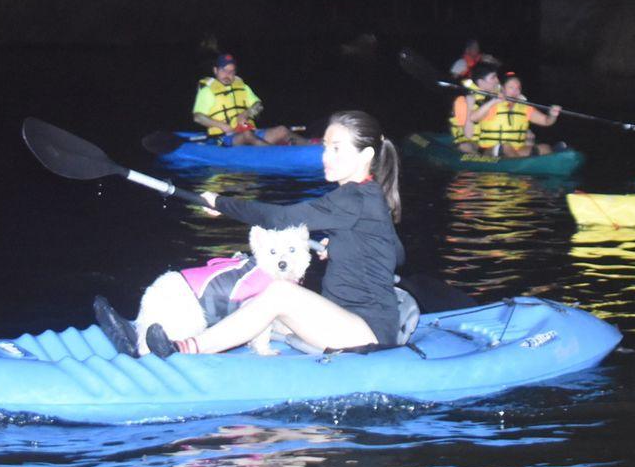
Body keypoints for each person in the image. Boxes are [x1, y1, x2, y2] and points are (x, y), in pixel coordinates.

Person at [95, 111, 404, 358]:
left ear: (365, 155)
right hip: (340, 316)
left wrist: (221, 203)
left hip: (367, 332)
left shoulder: (356, 197)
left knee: (280, 292)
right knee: (254, 298)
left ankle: (185, 349)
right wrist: (345, 245)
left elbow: (281, 218)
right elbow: (397, 252)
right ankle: (142, 336)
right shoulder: (367, 197)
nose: (326, 156)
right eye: (325, 146)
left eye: (337, 148)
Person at [191, 53, 292, 146]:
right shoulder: (207, 91)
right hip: (222, 138)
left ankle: (301, 149)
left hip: (249, 132)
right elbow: (198, 117)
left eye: (231, 71)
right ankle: (273, 152)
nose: (227, 75)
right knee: (247, 135)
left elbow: (258, 105)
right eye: (224, 70)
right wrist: (222, 126)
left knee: (282, 130)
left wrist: (247, 113)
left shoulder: (243, 87)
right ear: (215, 70)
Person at [467, 72, 562, 156]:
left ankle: (533, 162)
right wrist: (493, 101)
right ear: (502, 89)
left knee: (545, 148)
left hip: (517, 150)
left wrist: (553, 115)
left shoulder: (524, 108)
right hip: (490, 150)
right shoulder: (491, 104)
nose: (515, 91)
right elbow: (473, 118)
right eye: (511, 87)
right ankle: (522, 165)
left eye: (518, 88)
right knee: (506, 147)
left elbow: (547, 121)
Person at [449, 60, 501, 154]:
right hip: (468, 142)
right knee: (466, 147)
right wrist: (470, 106)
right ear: (481, 82)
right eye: (493, 77)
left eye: (496, 77)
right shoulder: (463, 100)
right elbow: (468, 135)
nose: (497, 81)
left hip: (485, 141)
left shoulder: (495, 95)